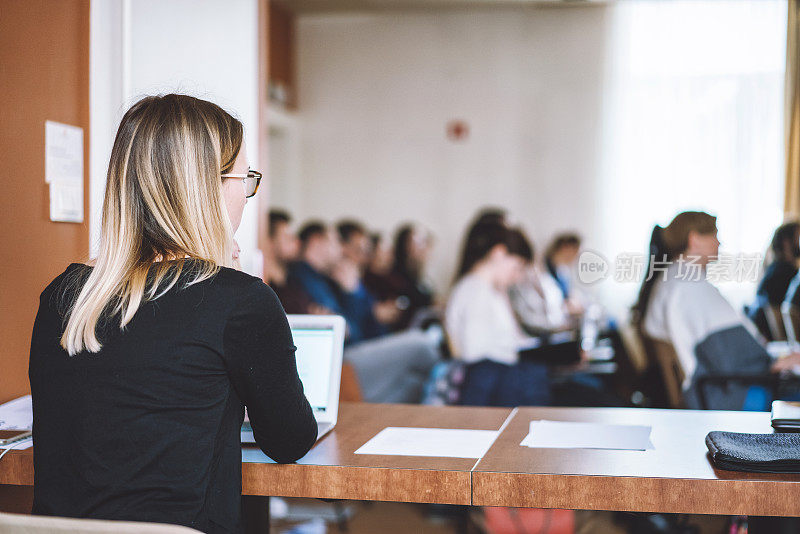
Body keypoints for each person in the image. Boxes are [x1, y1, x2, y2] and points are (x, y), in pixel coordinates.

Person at [28, 95, 317, 533]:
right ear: (208, 189)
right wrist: (227, 276)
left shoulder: (62, 297)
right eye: (245, 178)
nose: (247, 192)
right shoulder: (238, 301)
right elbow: (289, 439)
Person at [635, 211, 800, 410]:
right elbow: (735, 359)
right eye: (715, 235)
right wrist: (775, 362)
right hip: (730, 396)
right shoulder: (689, 286)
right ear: (694, 239)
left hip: (711, 388)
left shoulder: (674, 278)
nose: (720, 243)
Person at [446, 222, 550, 407]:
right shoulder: (475, 290)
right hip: (486, 382)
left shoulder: (489, 290)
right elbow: (474, 355)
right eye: (517, 267)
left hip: (494, 379)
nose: (517, 277)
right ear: (499, 253)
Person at [288, 221, 385, 343]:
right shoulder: (303, 279)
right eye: (335, 242)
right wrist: (350, 293)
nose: (340, 250)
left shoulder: (321, 278)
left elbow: (352, 327)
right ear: (316, 241)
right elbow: (349, 331)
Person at [749, 221, 800, 339]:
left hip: (766, 338)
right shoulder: (786, 273)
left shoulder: (773, 269)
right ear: (786, 242)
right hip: (776, 340)